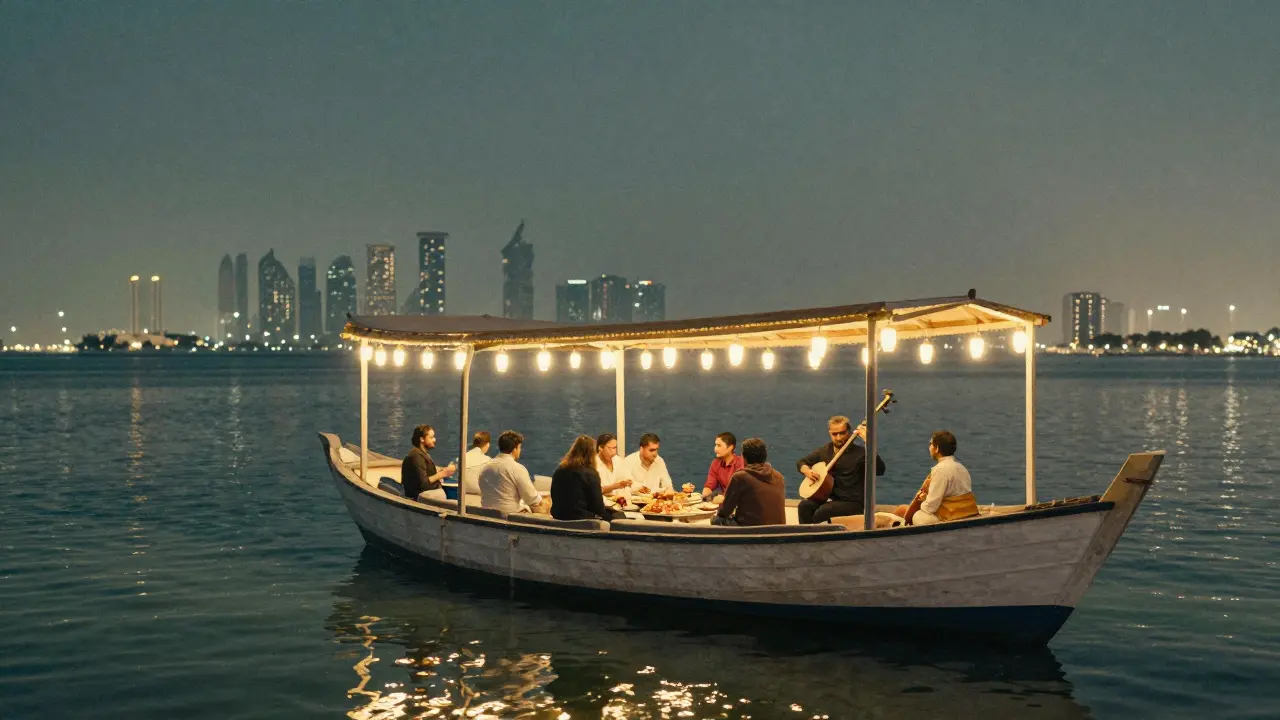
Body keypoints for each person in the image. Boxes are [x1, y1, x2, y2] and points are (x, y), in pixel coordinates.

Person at [796, 415, 886, 524]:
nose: (838, 438)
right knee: (804, 506)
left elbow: (880, 469)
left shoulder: (861, 453)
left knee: (823, 512)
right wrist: (807, 471)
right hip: (830, 499)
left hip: (854, 503)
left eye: (842, 433)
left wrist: (869, 443)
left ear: (849, 432)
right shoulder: (825, 451)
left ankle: (819, 534)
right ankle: (806, 534)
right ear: (829, 433)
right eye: (834, 434)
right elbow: (802, 462)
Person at [895, 431, 978, 526]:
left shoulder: (940, 470)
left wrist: (922, 503)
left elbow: (930, 507)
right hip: (967, 514)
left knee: (918, 516)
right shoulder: (962, 468)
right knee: (903, 509)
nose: (929, 447)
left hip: (950, 517)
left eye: (931, 444)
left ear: (937, 448)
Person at [713, 437, 786, 527]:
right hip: (778, 529)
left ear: (743, 457)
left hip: (749, 530)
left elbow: (725, 511)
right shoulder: (779, 476)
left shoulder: (740, 477)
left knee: (717, 520)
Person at [551, 435, 623, 521]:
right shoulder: (590, 474)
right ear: (592, 454)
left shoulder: (559, 470)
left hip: (558, 516)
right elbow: (598, 508)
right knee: (620, 517)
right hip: (581, 519)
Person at [478, 430, 548, 514]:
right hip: (510, 516)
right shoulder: (517, 468)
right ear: (514, 449)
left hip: (487, 514)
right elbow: (531, 498)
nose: (520, 451)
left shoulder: (485, 467)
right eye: (519, 448)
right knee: (544, 504)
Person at [402, 424, 455, 501]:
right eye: (431, 437)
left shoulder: (422, 454)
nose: (434, 439)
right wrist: (442, 474)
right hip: (418, 497)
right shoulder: (416, 456)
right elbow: (424, 484)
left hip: (428, 492)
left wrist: (443, 471)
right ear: (422, 439)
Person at [702, 431, 745, 501]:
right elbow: (710, 484)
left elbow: (738, 489)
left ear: (730, 447)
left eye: (719, 445)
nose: (715, 449)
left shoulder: (740, 463)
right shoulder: (715, 463)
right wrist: (704, 497)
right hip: (724, 501)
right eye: (715, 445)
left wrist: (721, 499)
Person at [462, 431, 493, 495]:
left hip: (462, 491)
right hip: (478, 493)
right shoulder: (488, 461)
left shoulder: (462, 457)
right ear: (488, 444)